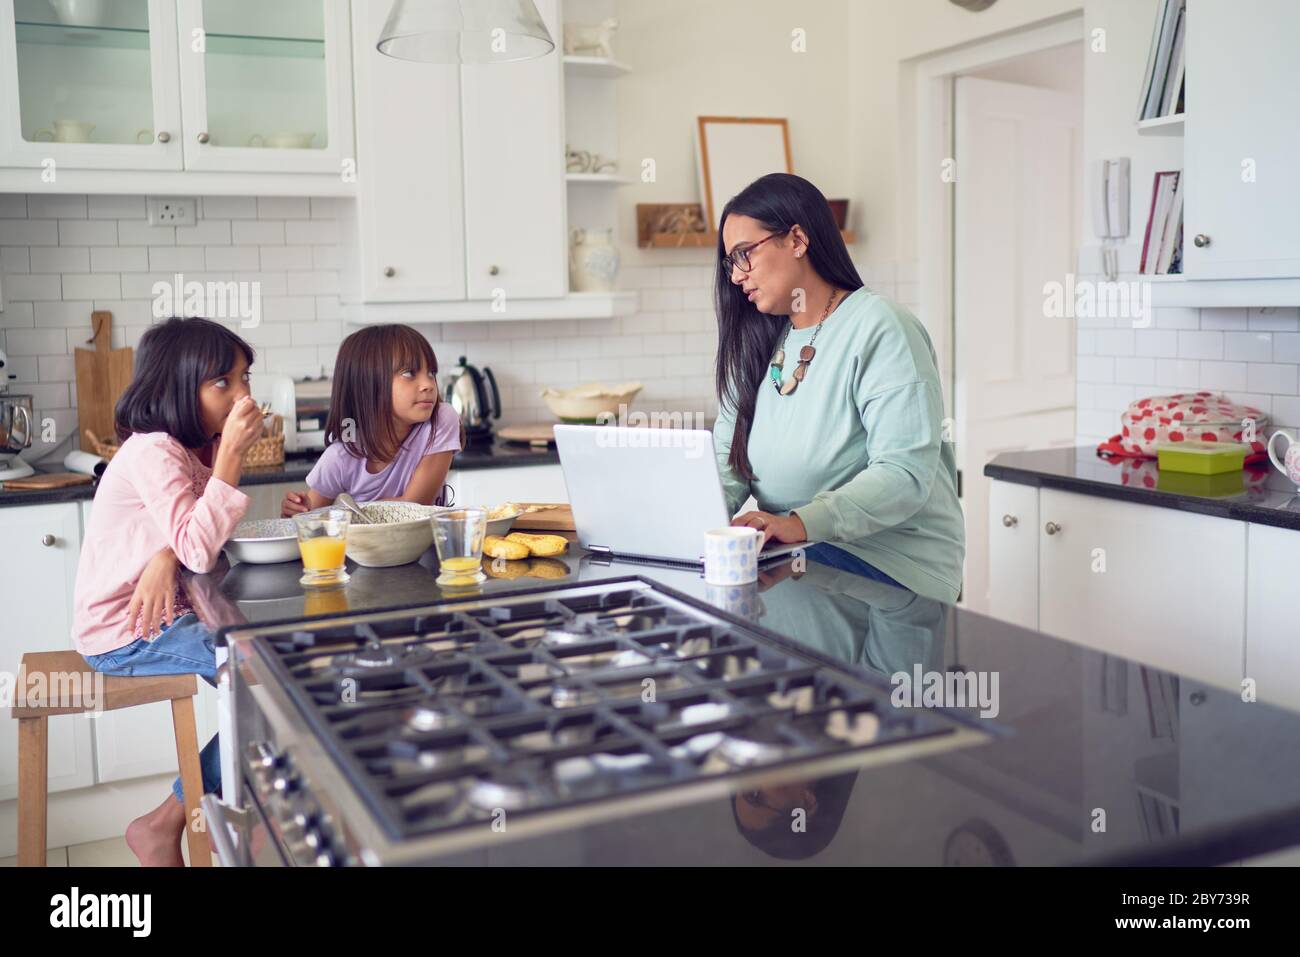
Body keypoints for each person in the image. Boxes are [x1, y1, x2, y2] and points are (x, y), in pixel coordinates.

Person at [713, 173, 965, 603]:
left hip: (886, 561)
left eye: (744, 255)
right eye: (730, 262)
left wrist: (801, 522)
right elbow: (727, 460)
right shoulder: (763, 341)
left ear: (796, 239)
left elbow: (903, 474)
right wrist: (678, 516)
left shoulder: (882, 328)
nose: (737, 277)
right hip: (800, 550)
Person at [74, 317, 262, 866]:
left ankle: (179, 821)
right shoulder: (154, 450)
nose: (243, 394)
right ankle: (165, 824)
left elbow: (191, 539)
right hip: (123, 631)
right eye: (222, 382)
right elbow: (201, 550)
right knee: (267, 690)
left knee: (269, 688)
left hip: (165, 616)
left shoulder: (190, 448)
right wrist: (229, 459)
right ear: (175, 385)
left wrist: (165, 553)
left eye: (245, 378)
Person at [281, 324, 463, 517]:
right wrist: (295, 512)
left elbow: (415, 506)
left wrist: (346, 513)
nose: (428, 384)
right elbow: (307, 522)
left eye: (431, 373)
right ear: (368, 384)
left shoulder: (440, 421)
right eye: (409, 373)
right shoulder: (341, 457)